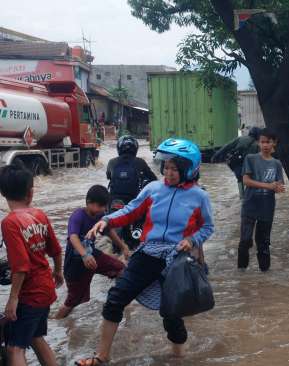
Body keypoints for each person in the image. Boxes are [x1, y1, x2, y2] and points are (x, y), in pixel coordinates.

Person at [76, 138, 214, 365]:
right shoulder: (153, 189)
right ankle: (101, 357)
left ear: (189, 170)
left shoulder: (200, 196)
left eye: (174, 169)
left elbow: (208, 226)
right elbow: (130, 210)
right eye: (166, 167)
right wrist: (106, 220)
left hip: (176, 260)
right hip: (147, 254)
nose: (167, 173)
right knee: (115, 299)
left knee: (171, 314)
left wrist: (192, 239)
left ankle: (179, 357)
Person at [0, 164, 63, 366]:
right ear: (30, 192)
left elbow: (21, 266)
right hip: (46, 287)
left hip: (30, 294)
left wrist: (13, 300)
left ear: (2, 192)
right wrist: (59, 272)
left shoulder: (10, 222)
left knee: (14, 348)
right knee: (36, 337)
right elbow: (56, 249)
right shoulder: (39, 215)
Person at [54, 185, 130, 319]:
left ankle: (119, 301)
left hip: (93, 256)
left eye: (104, 206)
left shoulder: (100, 215)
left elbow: (108, 230)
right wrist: (84, 254)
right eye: (99, 206)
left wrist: (123, 246)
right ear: (88, 202)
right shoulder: (77, 216)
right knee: (73, 301)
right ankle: (55, 322)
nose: (102, 209)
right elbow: (73, 237)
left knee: (120, 268)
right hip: (75, 263)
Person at [238, 128, 285, 272]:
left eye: (268, 142)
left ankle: (265, 274)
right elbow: (246, 180)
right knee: (245, 240)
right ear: (258, 143)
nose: (265, 145)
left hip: (267, 207)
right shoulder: (251, 159)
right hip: (250, 205)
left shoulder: (277, 163)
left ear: (274, 143)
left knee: (263, 243)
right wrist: (268, 186)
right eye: (262, 142)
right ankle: (241, 272)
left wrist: (278, 188)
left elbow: (280, 184)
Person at [106, 135, 158, 249]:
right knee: (142, 218)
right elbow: (154, 179)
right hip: (134, 199)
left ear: (119, 148)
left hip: (115, 200)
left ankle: (116, 246)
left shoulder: (112, 162)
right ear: (135, 148)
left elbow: (108, 176)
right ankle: (136, 239)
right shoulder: (140, 162)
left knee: (112, 218)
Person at [211, 128, 261, 198]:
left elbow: (226, 147)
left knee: (240, 179)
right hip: (248, 167)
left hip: (235, 164)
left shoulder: (240, 139)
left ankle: (241, 197)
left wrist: (215, 156)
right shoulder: (257, 145)